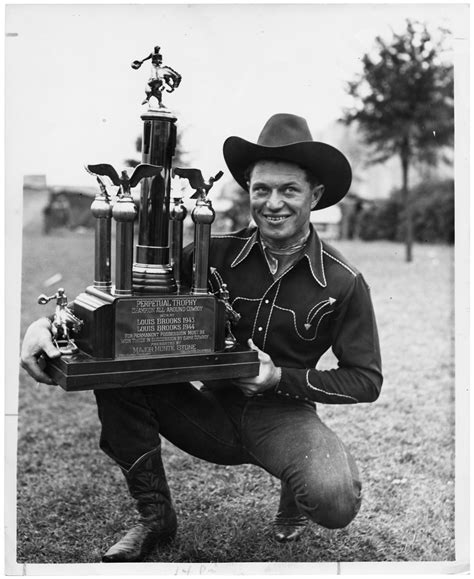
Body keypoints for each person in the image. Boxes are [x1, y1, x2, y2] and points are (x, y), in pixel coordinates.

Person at [20, 113, 383, 563]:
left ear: (316, 195)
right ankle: (154, 516)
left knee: (334, 499)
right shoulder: (216, 250)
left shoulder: (344, 281)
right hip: (205, 410)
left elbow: (366, 380)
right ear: (249, 191)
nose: (274, 203)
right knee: (116, 370)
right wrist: (53, 323)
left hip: (282, 418)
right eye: (261, 189)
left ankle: (295, 485)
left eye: (289, 190)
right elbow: (133, 289)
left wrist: (278, 379)